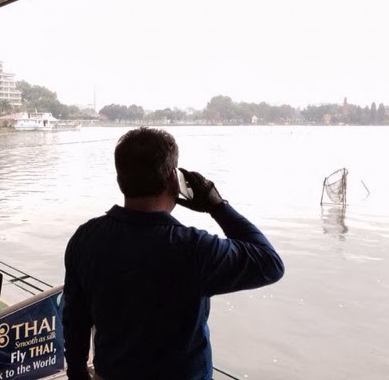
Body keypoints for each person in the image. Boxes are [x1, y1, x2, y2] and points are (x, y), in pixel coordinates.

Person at [62, 127, 285, 380]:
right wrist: (217, 206)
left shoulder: (86, 238)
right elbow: (270, 263)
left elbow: (75, 318)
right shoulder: (194, 248)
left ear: (120, 179)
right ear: (173, 179)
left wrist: (77, 374)